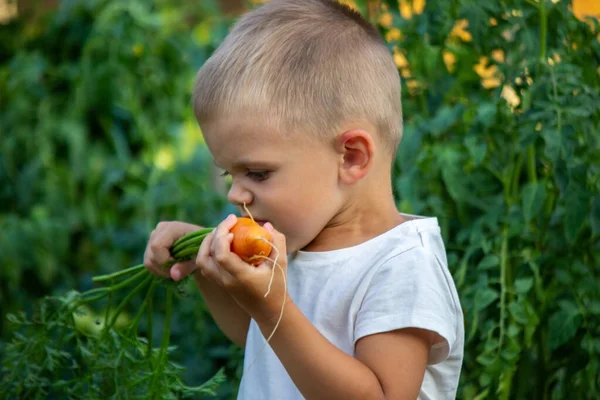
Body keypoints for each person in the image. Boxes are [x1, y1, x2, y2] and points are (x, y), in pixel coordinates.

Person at [143, 0, 464, 398]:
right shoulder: (296, 238)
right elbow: (262, 341)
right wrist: (209, 267)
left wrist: (273, 309)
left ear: (351, 157)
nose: (234, 193)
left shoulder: (400, 267)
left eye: (257, 173)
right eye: (230, 172)